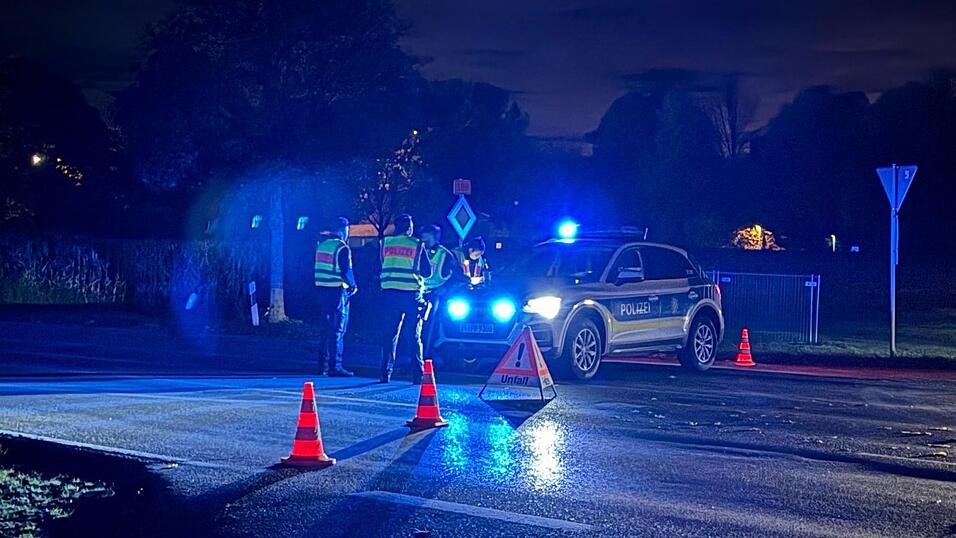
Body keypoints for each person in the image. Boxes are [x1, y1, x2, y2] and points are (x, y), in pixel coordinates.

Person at [379, 214, 431, 384]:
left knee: (390, 334)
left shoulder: (385, 243)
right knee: (414, 335)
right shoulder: (417, 244)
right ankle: (418, 375)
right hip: (411, 295)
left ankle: (385, 373)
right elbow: (427, 271)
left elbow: (380, 265)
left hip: (389, 295)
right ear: (409, 227)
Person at [313, 217, 356, 377]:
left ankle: (322, 366)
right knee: (338, 329)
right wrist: (353, 285)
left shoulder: (322, 246)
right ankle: (335, 366)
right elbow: (346, 271)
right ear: (342, 230)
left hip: (322, 291)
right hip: (337, 292)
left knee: (325, 328)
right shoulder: (341, 247)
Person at [421, 224, 456, 354]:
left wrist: (444, 289)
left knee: (431, 326)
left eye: (424, 235)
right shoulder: (420, 250)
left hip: (435, 294)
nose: (422, 238)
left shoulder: (445, 254)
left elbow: (454, 276)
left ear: (432, 236)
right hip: (420, 292)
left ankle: (428, 354)